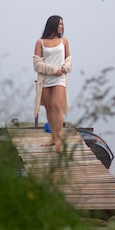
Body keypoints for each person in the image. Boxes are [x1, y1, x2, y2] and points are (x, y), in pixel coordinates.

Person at [33, 15, 72, 153]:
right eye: (60, 24)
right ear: (53, 25)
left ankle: (59, 141)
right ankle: (53, 138)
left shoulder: (64, 41)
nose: (62, 26)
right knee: (49, 108)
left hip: (59, 78)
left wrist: (64, 69)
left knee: (57, 105)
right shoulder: (40, 42)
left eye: (62, 24)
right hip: (46, 79)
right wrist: (53, 69)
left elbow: (69, 60)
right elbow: (37, 64)